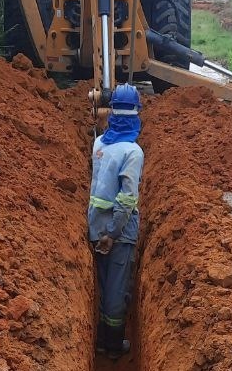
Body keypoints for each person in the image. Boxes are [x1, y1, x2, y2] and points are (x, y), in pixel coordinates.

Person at [87, 84, 144, 359]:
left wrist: (102, 232)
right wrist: (114, 232)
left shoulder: (99, 144)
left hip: (96, 226)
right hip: (118, 233)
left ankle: (97, 339)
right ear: (135, 114)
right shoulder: (132, 152)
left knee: (102, 281)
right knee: (116, 290)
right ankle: (112, 344)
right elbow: (127, 199)